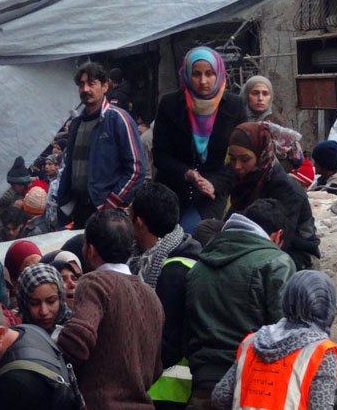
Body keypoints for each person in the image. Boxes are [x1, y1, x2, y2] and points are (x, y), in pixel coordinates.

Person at [183, 199, 295, 408]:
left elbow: (186, 330)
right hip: (254, 386)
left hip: (203, 383)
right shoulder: (277, 262)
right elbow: (286, 332)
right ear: (278, 235)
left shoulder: (199, 266)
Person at [58, 210, 163, 409]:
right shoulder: (151, 295)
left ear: (90, 250)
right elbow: (156, 368)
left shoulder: (95, 282)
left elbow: (77, 340)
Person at [211, 270, 337, 410]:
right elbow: (320, 406)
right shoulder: (322, 352)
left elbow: (220, 397)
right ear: (327, 306)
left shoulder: (251, 342)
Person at [152, 47, 244, 231]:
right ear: (186, 74)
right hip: (173, 191)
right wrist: (188, 173)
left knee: (197, 234)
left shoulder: (234, 106)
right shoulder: (170, 104)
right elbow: (160, 155)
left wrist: (214, 183)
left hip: (212, 194)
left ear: (219, 73)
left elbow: (239, 158)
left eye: (209, 74)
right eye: (196, 74)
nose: (203, 81)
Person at [128, 182, 203, 409]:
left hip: (168, 391)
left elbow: (168, 342)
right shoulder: (185, 254)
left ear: (139, 223)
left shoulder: (172, 271)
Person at [56, 61, 146, 227]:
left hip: (108, 211)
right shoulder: (76, 123)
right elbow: (70, 166)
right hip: (80, 208)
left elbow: (136, 169)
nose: (85, 89)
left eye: (91, 83)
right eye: (81, 84)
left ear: (105, 86)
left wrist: (111, 203)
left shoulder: (118, 119)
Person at [225, 123, 320, 270]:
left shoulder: (285, 189)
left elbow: (280, 241)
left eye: (245, 160)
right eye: (232, 159)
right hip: (251, 242)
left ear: (261, 154)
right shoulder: (246, 181)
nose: (237, 166)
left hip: (294, 253)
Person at [16, 263, 68, 337]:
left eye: (51, 301)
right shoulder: (15, 333)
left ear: (61, 298)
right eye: (34, 303)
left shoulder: (76, 331)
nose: (44, 312)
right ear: (24, 304)